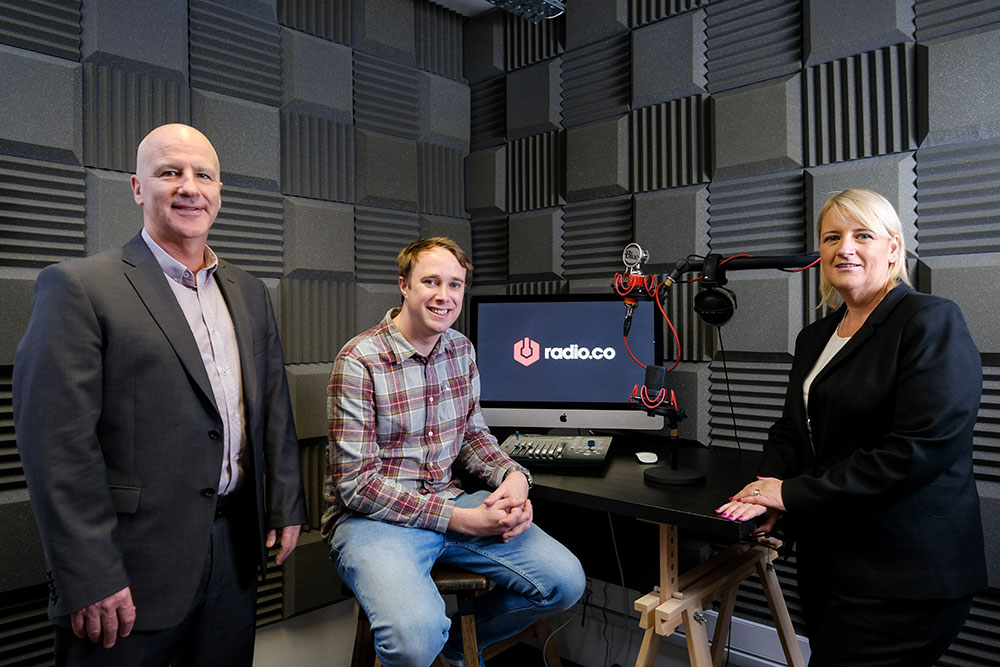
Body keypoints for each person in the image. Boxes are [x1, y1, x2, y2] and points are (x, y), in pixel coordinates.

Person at [13, 123, 307, 666]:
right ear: (136, 187)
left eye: (204, 175)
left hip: (234, 552)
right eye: (170, 172)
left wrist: (285, 504)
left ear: (219, 192)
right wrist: (89, 574)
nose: (189, 187)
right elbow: (55, 447)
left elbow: (273, 409)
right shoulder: (79, 286)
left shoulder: (248, 291)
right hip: (127, 568)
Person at [715, 189, 986, 666]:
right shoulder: (816, 336)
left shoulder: (929, 320)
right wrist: (764, 492)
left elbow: (921, 448)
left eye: (863, 235)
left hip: (905, 574)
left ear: (893, 248)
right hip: (831, 562)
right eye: (832, 237)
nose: (846, 248)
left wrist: (791, 494)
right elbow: (790, 432)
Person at [323, 237, 586, 667]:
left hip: (450, 501)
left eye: (455, 285)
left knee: (565, 582)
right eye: (431, 281)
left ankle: (456, 649)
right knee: (412, 640)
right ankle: (432, 646)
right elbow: (356, 485)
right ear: (404, 285)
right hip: (374, 521)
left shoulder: (460, 349)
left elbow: (472, 436)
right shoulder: (359, 360)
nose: (444, 297)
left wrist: (514, 478)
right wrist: (464, 519)